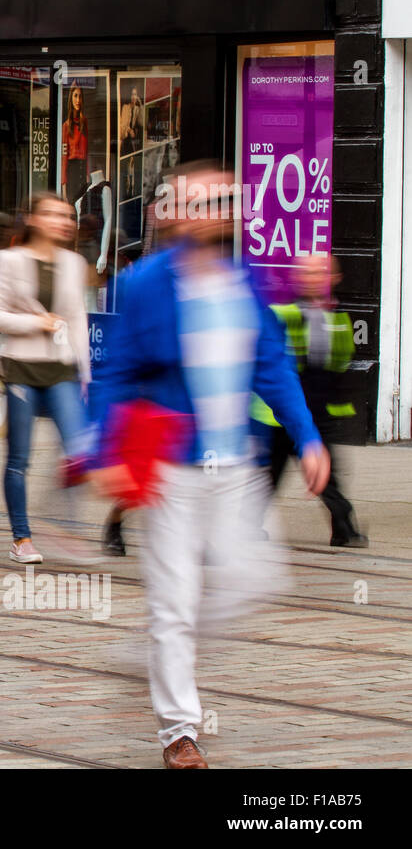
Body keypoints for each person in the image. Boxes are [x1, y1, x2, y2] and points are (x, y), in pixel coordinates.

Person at [86, 161, 329, 769]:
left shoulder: (247, 281)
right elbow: (117, 372)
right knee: (174, 602)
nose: (211, 211)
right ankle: (179, 732)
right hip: (170, 468)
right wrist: (105, 451)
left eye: (220, 201)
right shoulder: (144, 283)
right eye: (197, 202)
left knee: (255, 581)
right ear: (171, 213)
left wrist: (308, 438)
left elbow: (273, 365)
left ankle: (159, 647)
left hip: (237, 468)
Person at [0, 192, 91, 565]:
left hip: (61, 369)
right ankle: (21, 538)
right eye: (55, 215)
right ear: (34, 220)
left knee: (79, 452)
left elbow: (78, 320)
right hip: (20, 369)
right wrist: (35, 322)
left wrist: (86, 373)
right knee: (19, 458)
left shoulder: (74, 263)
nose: (64, 222)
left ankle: (64, 524)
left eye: (68, 216)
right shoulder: (7, 260)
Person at [251, 253, 367, 547]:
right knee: (270, 476)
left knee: (327, 474)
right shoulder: (282, 314)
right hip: (282, 412)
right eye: (309, 273)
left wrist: (333, 405)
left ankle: (344, 529)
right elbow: (272, 365)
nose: (315, 279)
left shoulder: (339, 319)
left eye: (321, 273)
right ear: (298, 278)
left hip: (317, 410)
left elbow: (341, 362)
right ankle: (247, 526)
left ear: (334, 278)